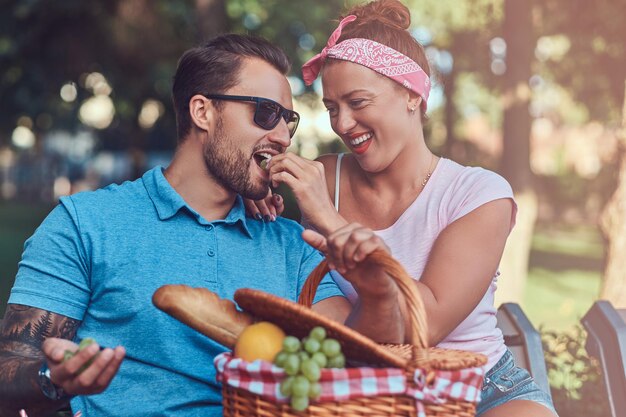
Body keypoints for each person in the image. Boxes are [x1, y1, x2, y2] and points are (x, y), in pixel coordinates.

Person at [0, 34, 407, 417]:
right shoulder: (86, 224)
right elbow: (11, 367)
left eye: (289, 120)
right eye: (266, 113)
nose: (283, 136)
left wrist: (374, 286)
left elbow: (359, 353)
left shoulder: (292, 243)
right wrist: (54, 379)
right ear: (202, 112)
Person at [245, 1, 558, 416]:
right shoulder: (324, 178)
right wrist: (254, 190)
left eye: (358, 102)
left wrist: (329, 218)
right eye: (332, 109)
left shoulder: (478, 194)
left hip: (483, 391)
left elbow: (424, 325)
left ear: (412, 95)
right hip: (367, 395)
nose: (341, 124)